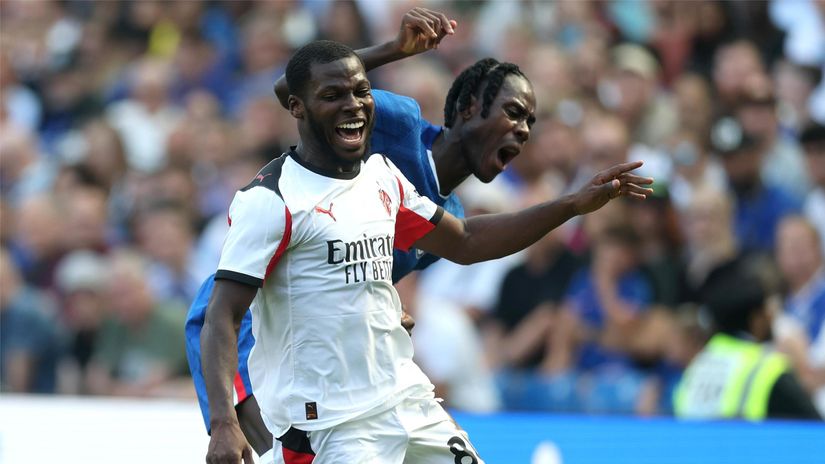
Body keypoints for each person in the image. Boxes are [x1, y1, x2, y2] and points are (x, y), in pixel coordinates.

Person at [201, 39, 651, 463]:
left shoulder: (382, 177)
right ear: (298, 107)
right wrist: (223, 420)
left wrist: (572, 204)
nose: (353, 105)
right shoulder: (273, 198)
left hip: (403, 397)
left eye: (361, 92)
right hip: (329, 423)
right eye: (333, 95)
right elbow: (220, 314)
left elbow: (466, 240)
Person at [188, 7, 534, 457]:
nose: (523, 131)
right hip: (248, 326)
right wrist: (393, 49)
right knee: (278, 446)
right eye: (514, 113)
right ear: (470, 109)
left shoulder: (444, 213)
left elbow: (353, 263)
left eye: (530, 121)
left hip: (335, 365)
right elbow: (292, 87)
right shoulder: (400, 123)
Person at [673, 265, 821, 421]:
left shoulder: (695, 369)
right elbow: (814, 429)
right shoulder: (767, 369)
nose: (771, 317)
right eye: (766, 310)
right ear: (756, 320)